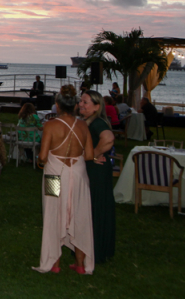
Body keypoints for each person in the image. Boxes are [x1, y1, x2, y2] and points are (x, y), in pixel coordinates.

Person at [34, 85, 95, 275]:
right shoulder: (83, 125)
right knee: (80, 214)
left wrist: (40, 162)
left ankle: (55, 263)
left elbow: (43, 156)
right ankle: (80, 265)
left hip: (54, 174)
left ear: (58, 105)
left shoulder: (51, 125)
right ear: (75, 105)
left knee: (53, 212)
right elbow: (89, 155)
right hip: (78, 176)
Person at [79, 90, 116, 265]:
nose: (81, 104)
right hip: (94, 168)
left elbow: (108, 139)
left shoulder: (97, 122)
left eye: (85, 102)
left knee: (95, 207)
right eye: (80, 101)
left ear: (96, 106)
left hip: (96, 172)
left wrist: (93, 154)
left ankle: (95, 249)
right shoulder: (89, 122)